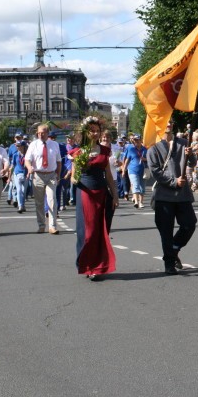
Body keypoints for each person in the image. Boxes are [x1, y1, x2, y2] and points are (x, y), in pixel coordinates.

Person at [70, 117, 119, 280]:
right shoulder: (79, 152)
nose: (95, 133)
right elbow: (73, 177)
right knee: (88, 231)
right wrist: (76, 179)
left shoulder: (104, 151)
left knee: (100, 231)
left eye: (97, 131)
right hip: (86, 194)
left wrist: (115, 195)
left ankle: (97, 266)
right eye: (92, 130)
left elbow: (109, 176)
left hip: (101, 193)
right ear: (86, 132)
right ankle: (86, 264)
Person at [147, 119, 197, 275]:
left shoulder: (183, 142)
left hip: (183, 196)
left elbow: (192, 163)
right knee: (166, 231)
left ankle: (174, 249)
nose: (168, 124)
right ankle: (169, 262)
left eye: (170, 122)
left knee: (189, 224)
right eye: (165, 122)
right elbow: (155, 172)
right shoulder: (153, 148)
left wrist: (191, 154)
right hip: (164, 196)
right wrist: (174, 181)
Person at [24, 124, 62, 234]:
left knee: (52, 200)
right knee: (39, 202)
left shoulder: (54, 145)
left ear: (48, 133)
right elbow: (27, 160)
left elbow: (58, 161)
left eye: (43, 132)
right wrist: (29, 167)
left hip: (51, 175)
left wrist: (58, 174)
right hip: (38, 175)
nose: (41, 134)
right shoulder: (33, 144)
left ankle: (52, 226)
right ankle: (41, 225)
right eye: (39, 133)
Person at [123, 135, 147, 208]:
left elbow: (150, 159)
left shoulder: (145, 149)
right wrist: (124, 170)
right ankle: (136, 201)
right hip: (133, 170)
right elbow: (127, 160)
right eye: (135, 140)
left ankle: (141, 202)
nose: (136, 141)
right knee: (135, 185)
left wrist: (145, 159)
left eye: (138, 140)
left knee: (142, 187)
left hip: (143, 171)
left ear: (141, 140)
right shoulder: (131, 149)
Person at [9, 141, 29, 213]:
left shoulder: (27, 155)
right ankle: (20, 206)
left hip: (26, 174)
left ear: (23, 146)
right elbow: (13, 165)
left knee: (24, 191)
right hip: (17, 174)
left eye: (19, 146)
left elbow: (30, 165)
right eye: (17, 146)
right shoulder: (15, 155)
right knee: (19, 190)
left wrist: (29, 173)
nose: (18, 147)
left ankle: (23, 205)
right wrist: (9, 175)